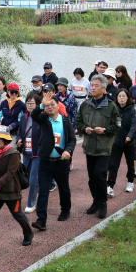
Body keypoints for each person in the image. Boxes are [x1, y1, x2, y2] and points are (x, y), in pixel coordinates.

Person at [0, 125, 33, 257]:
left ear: (6, 140)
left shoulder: (14, 154)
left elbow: (10, 172)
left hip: (11, 192)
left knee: (17, 215)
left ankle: (28, 233)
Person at [75, 75, 121, 219]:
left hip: (104, 148)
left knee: (100, 175)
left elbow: (117, 126)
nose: (93, 88)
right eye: (91, 85)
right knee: (92, 178)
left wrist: (105, 130)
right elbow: (78, 121)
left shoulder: (111, 106)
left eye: (96, 86)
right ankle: (96, 201)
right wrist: (84, 128)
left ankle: (103, 203)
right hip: (89, 147)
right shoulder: (85, 104)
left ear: (104, 88)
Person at [29, 98, 76, 231]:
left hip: (61, 162)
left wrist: (68, 151)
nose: (49, 107)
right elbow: (34, 114)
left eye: (52, 104)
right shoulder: (44, 118)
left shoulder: (65, 121)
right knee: (43, 191)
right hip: (45, 162)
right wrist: (41, 105)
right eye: (47, 105)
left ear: (58, 106)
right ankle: (41, 220)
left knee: (64, 188)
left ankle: (65, 210)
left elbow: (72, 140)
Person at [107, 89, 136, 194]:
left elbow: (134, 125)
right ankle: (110, 186)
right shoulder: (114, 109)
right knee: (113, 164)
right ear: (117, 98)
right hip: (116, 142)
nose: (121, 98)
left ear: (127, 97)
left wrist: (130, 136)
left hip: (129, 143)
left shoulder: (132, 110)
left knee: (130, 164)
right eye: (119, 96)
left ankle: (130, 182)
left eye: (123, 96)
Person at [16, 93, 41, 214]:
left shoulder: (41, 118)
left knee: (33, 179)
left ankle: (31, 203)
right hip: (26, 152)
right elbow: (20, 132)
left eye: (32, 103)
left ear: (38, 105)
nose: (29, 105)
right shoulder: (23, 117)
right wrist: (19, 140)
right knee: (23, 177)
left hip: (37, 153)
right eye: (28, 103)